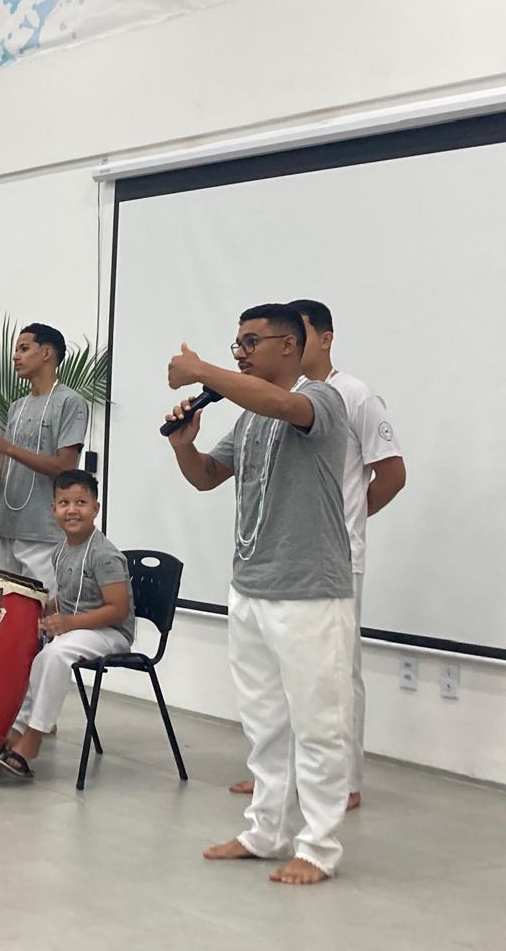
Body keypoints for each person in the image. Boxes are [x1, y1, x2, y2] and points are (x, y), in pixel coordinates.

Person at [165, 302, 354, 886]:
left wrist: (202, 371)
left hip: (308, 593)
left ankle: (318, 847)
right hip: (249, 588)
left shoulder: (322, 398)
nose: (241, 353)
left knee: (318, 725)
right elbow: (206, 477)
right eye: (237, 344)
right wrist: (183, 444)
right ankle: (266, 832)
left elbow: (285, 406)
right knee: (265, 724)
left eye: (251, 342)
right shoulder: (249, 418)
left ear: (289, 346)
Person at [227, 300, 407, 810]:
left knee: (336, 676)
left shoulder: (352, 395)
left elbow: (391, 474)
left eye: (303, 334)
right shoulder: (264, 401)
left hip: (333, 560)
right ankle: (277, 777)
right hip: (280, 563)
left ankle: (344, 782)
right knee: (281, 678)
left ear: (322, 339)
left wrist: (336, 524)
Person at [0, 470, 134, 778]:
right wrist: (45, 609)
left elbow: (118, 610)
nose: (72, 510)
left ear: (96, 508)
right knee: (40, 655)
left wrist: (69, 622)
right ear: (53, 509)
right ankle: (17, 730)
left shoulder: (105, 555)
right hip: (80, 631)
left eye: (81, 503)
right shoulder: (61, 550)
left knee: (55, 654)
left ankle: (32, 739)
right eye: (64, 503)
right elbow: (68, 596)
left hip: (109, 633)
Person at [0, 324, 87, 592]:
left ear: (47, 353)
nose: (15, 356)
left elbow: (66, 467)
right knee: (4, 609)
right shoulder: (17, 407)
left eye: (24, 349)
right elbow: (3, 475)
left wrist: (6, 447)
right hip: (6, 527)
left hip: (43, 533)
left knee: (40, 610)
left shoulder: (70, 402)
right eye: (16, 350)